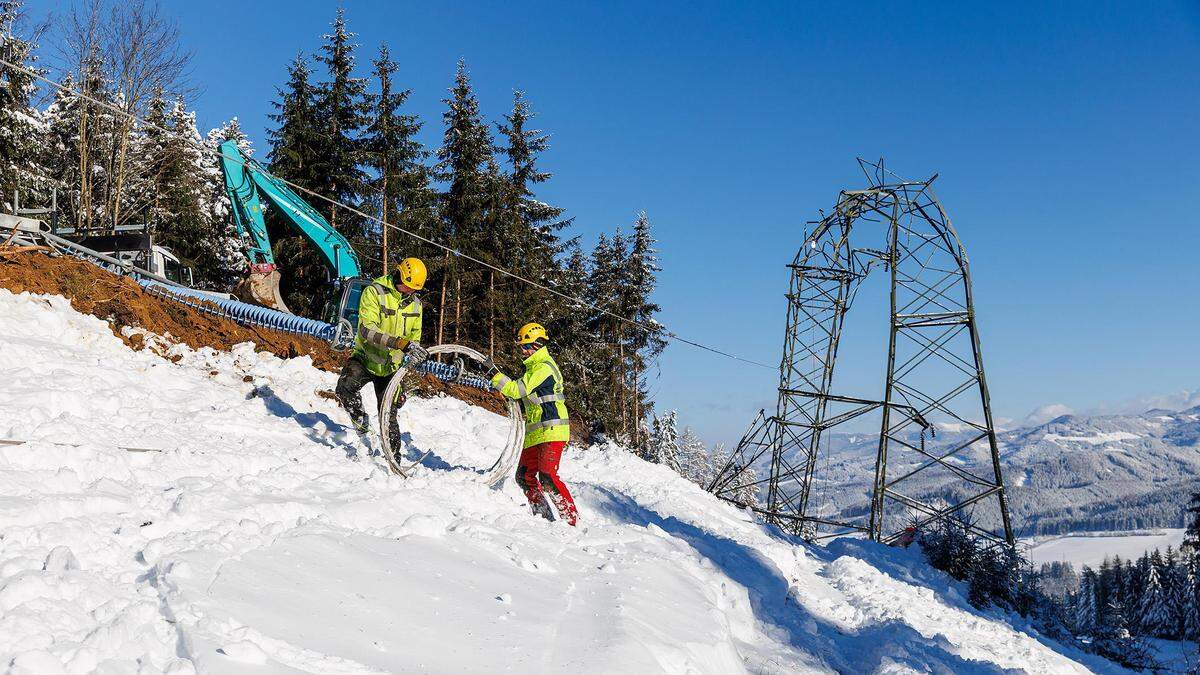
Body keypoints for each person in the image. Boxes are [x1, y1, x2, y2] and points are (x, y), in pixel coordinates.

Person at [485, 322, 578, 525]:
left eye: (526, 346)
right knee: (523, 476)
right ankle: (543, 518)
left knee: (547, 477)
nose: (523, 350)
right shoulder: (533, 368)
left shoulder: (543, 367)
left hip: (552, 429)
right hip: (537, 432)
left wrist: (494, 374)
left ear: (537, 345)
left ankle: (571, 522)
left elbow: (517, 390)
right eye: (521, 347)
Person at [335, 257, 429, 446]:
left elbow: (414, 336)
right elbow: (366, 330)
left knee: (389, 416)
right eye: (408, 285)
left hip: (391, 368)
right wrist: (400, 343)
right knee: (344, 389)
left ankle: (393, 460)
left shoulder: (416, 305)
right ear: (398, 276)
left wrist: (413, 351)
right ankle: (360, 420)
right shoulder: (374, 292)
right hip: (365, 359)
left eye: (415, 289)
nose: (411, 291)